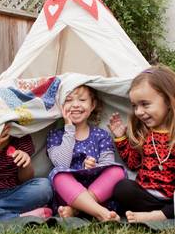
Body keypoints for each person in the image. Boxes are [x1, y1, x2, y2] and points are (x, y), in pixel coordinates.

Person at [108, 65, 175, 222]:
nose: (139, 112)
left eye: (145, 104)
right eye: (135, 106)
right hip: (146, 196)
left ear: (168, 101)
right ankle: (156, 212)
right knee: (123, 188)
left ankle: (158, 215)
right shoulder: (144, 134)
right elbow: (133, 163)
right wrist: (120, 138)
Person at [47, 85, 126, 222]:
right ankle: (101, 213)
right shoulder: (55, 135)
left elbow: (108, 164)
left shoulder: (101, 135)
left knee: (117, 170)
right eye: (69, 100)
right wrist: (69, 129)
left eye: (82, 100)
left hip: (98, 191)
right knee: (57, 174)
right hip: (69, 193)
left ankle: (77, 209)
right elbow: (61, 163)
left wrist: (95, 166)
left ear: (93, 105)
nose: (75, 105)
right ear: (61, 105)